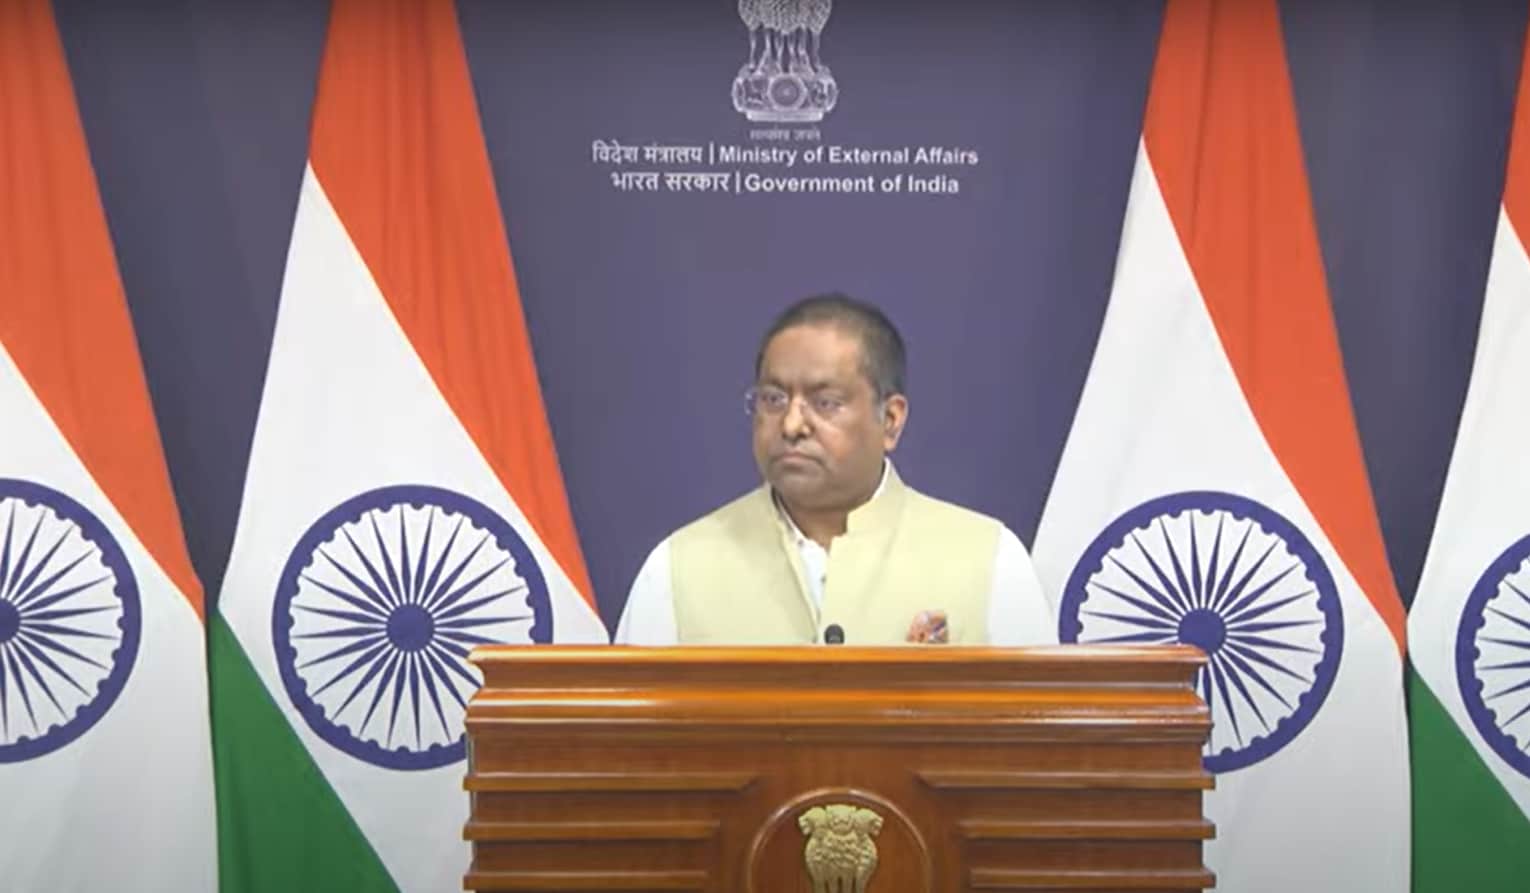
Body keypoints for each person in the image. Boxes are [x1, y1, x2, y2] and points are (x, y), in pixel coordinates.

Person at [614, 293, 1056, 646]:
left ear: (891, 420)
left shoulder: (990, 560)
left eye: (825, 403)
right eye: (773, 399)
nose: (791, 424)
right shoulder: (676, 569)